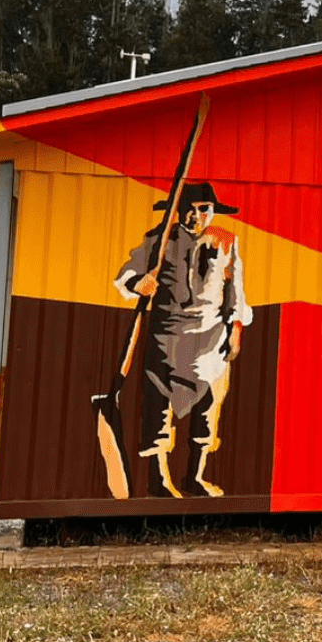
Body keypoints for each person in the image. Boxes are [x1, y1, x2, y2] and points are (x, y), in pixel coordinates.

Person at [115, 181, 250, 497]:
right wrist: (140, 282)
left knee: (206, 408)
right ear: (178, 211)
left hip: (210, 337)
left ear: (212, 211)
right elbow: (126, 276)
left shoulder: (226, 242)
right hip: (167, 337)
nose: (196, 215)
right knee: (158, 407)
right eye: (190, 209)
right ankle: (158, 478)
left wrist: (235, 331)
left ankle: (195, 476)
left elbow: (237, 292)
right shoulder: (158, 240)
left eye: (204, 209)